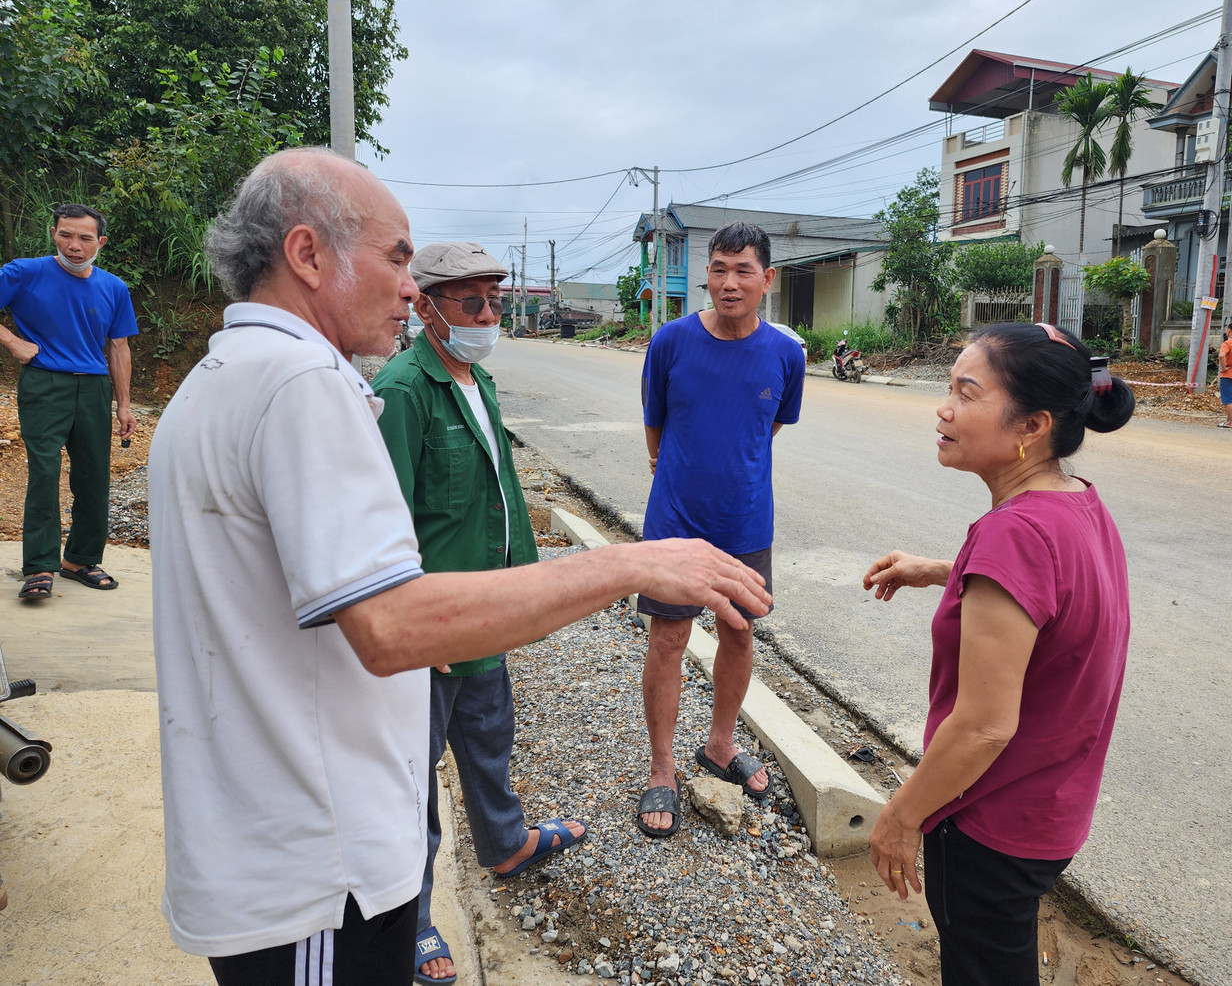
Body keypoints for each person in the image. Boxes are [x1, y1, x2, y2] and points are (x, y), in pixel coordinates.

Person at [148, 147, 769, 986]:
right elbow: (391, 624)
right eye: (398, 258)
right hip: (320, 873)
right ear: (307, 255)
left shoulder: (224, 376)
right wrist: (629, 562)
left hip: (272, 843)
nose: (410, 286)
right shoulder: (303, 385)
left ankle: (503, 836)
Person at [861, 321, 1134, 986]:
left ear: (1031, 424)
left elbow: (984, 726)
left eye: (966, 391)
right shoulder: (1077, 504)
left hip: (987, 823)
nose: (943, 407)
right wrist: (945, 570)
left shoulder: (1011, 538)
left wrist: (902, 817)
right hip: (1050, 809)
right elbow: (1055, 598)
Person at [372, 241, 587, 985]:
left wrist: (523, 596)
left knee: (490, 738)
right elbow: (386, 517)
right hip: (434, 626)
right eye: (473, 302)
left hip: (486, 616)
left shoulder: (479, 380)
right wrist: (412, 618)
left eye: (496, 301)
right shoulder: (404, 389)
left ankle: (506, 844)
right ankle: (414, 918)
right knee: (413, 776)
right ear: (427, 306)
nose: (489, 314)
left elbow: (502, 502)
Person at [636, 221, 804, 837]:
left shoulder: (786, 354)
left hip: (745, 523)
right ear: (706, 273)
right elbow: (656, 422)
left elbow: (769, 427)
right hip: (675, 522)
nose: (728, 283)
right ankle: (660, 769)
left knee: (738, 632)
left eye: (742, 271)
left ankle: (720, 745)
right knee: (669, 639)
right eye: (718, 269)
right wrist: (671, 469)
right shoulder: (671, 342)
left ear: (768, 279)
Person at [0, 204, 138, 600]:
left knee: (94, 476)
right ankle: (39, 567)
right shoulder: (24, 272)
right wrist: (13, 342)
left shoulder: (113, 287)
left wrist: (124, 404)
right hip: (45, 384)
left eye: (84, 238)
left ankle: (80, 560)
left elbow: (119, 346)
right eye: (66, 235)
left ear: (101, 242)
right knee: (44, 472)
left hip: (94, 389)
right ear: (53, 233)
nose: (74, 246)